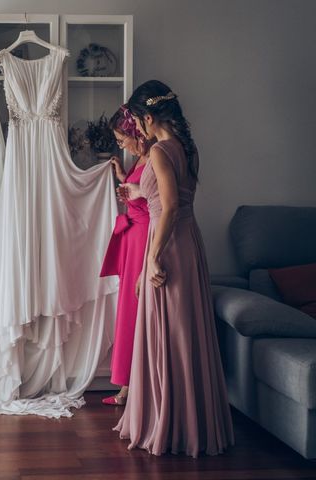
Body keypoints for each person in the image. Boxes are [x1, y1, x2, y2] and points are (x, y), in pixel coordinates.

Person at [113, 81, 234, 457]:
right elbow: (172, 197)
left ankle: (169, 424)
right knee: (184, 335)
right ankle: (191, 422)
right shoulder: (188, 149)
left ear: (149, 117)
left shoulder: (162, 151)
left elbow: (168, 208)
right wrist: (135, 192)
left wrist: (151, 258)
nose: (139, 129)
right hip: (188, 245)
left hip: (168, 245)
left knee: (169, 335)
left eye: (138, 121)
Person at [99, 105, 151, 406]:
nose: (120, 145)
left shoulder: (156, 157)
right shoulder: (139, 159)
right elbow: (138, 193)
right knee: (128, 309)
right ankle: (128, 385)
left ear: (136, 134)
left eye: (122, 139)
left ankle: (133, 387)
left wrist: (134, 190)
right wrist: (123, 177)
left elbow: (154, 200)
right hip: (131, 237)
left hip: (143, 237)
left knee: (136, 309)